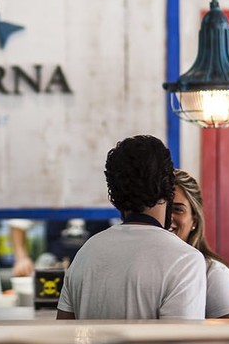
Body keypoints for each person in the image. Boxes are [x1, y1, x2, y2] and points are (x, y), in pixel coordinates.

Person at [56, 135, 207, 320]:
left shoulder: (85, 254)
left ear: (114, 194)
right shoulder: (185, 260)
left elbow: (64, 332)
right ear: (168, 187)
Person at [169, 170, 229, 319]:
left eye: (178, 209)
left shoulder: (215, 273)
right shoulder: (153, 267)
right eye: (163, 209)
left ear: (195, 220)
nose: (168, 218)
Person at [9, 217, 115, 276]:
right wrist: (21, 258)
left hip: (96, 272)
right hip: (55, 270)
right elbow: (18, 222)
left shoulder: (101, 188)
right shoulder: (53, 187)